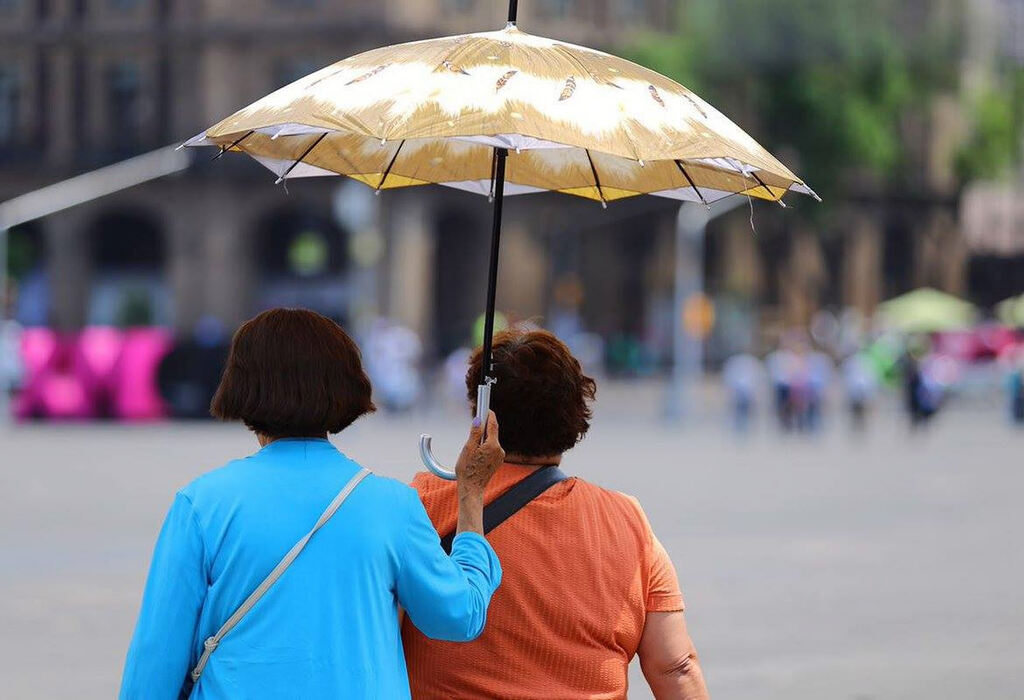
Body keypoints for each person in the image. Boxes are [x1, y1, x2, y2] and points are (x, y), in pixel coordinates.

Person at [119, 308, 505, 700]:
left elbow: (152, 669)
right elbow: (459, 615)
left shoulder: (201, 506)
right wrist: (471, 494)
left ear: (240, 385)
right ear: (347, 387)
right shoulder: (392, 506)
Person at [402, 329, 709, 699]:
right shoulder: (627, 521)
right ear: (574, 415)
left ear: (481, 415)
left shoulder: (422, 505)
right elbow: (676, 667)